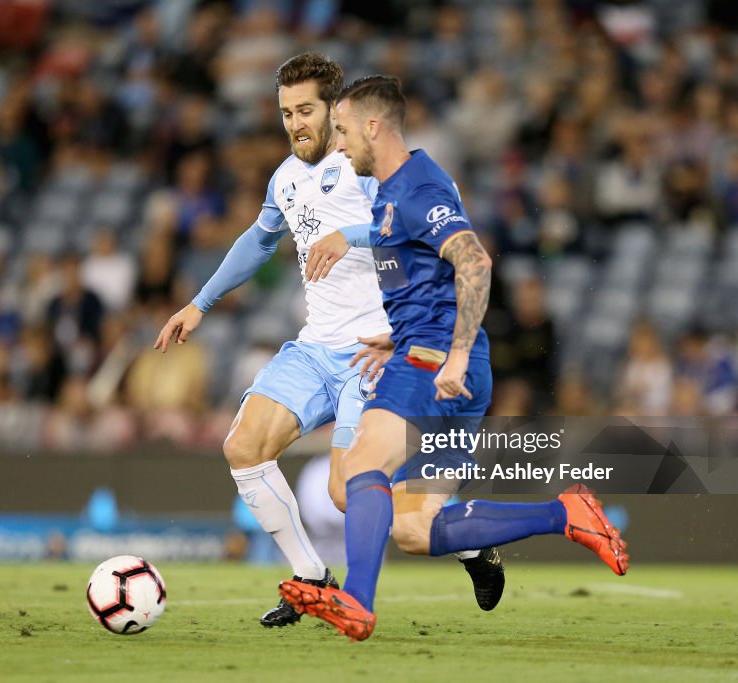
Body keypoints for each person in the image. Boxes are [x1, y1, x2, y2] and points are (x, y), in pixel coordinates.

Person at [155, 54, 505, 629]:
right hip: (316, 345)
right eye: (286, 113)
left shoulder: (370, 164)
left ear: (335, 110)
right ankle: (312, 578)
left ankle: (469, 543)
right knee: (243, 447)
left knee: (349, 493)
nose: (295, 124)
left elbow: (426, 223)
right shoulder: (286, 178)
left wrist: (352, 233)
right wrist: (199, 304)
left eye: (306, 111)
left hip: (376, 346)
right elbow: (258, 240)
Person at [280, 76, 629, 641]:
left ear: (373, 126)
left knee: (359, 471)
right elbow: (433, 278)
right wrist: (403, 336)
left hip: (435, 364)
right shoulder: (393, 193)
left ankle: (356, 601)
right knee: (415, 527)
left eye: (342, 131)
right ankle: (566, 514)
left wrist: (454, 352)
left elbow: (475, 263)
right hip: (439, 358)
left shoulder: (419, 189)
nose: (337, 144)